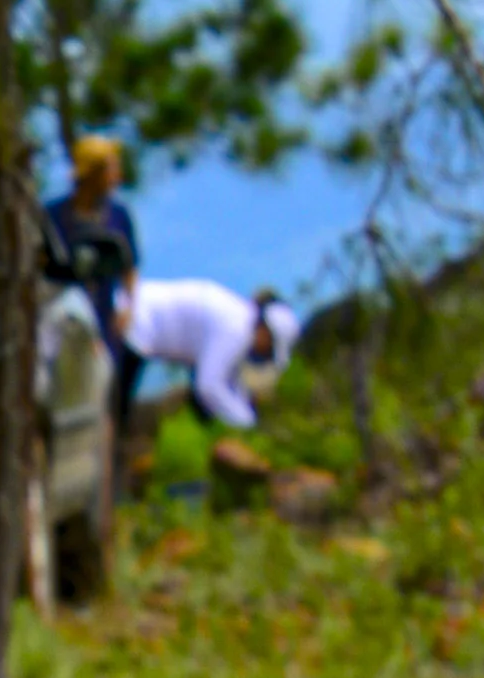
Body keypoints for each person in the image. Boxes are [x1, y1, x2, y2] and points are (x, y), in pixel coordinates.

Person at [43, 129, 142, 443]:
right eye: (111, 168)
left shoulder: (118, 215)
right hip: (61, 321)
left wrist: (128, 307)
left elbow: (130, 268)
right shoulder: (53, 216)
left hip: (104, 320)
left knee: (105, 399)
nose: (117, 175)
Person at [122, 270, 300, 436]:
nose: (265, 356)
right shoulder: (236, 330)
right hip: (136, 327)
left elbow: (231, 384)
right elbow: (208, 386)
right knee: (115, 411)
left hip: (139, 324)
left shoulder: (239, 319)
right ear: (266, 334)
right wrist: (247, 423)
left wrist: (246, 416)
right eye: (269, 351)